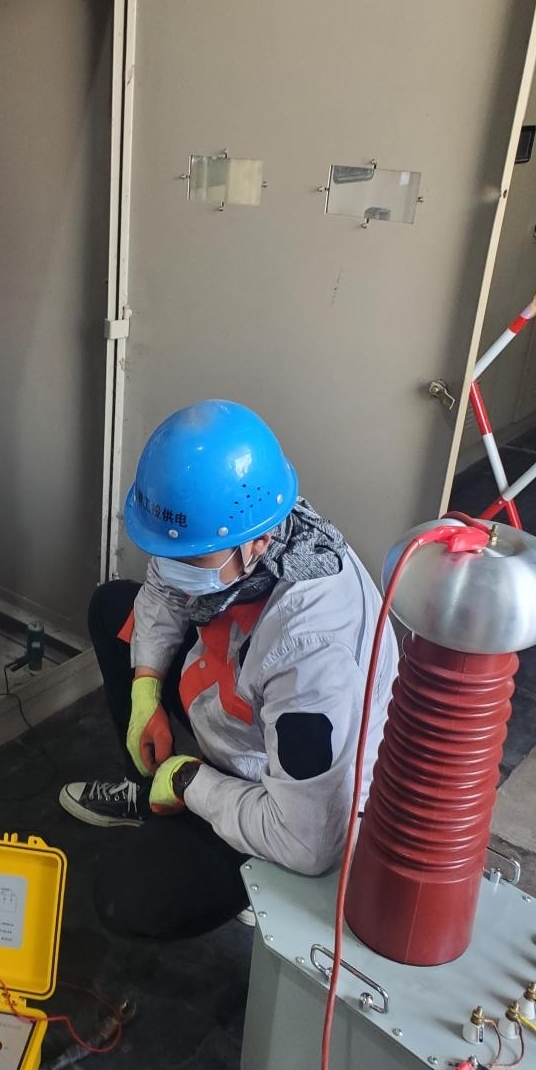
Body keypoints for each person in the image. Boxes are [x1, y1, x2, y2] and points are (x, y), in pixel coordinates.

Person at [59, 398, 399, 939]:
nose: (168, 569)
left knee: (126, 898)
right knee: (112, 607)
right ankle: (149, 793)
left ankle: (243, 866)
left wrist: (189, 780)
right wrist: (145, 692)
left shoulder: (314, 654)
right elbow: (162, 590)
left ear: (257, 542)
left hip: (280, 797)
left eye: (188, 559)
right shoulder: (241, 522)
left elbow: (309, 842)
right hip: (235, 720)